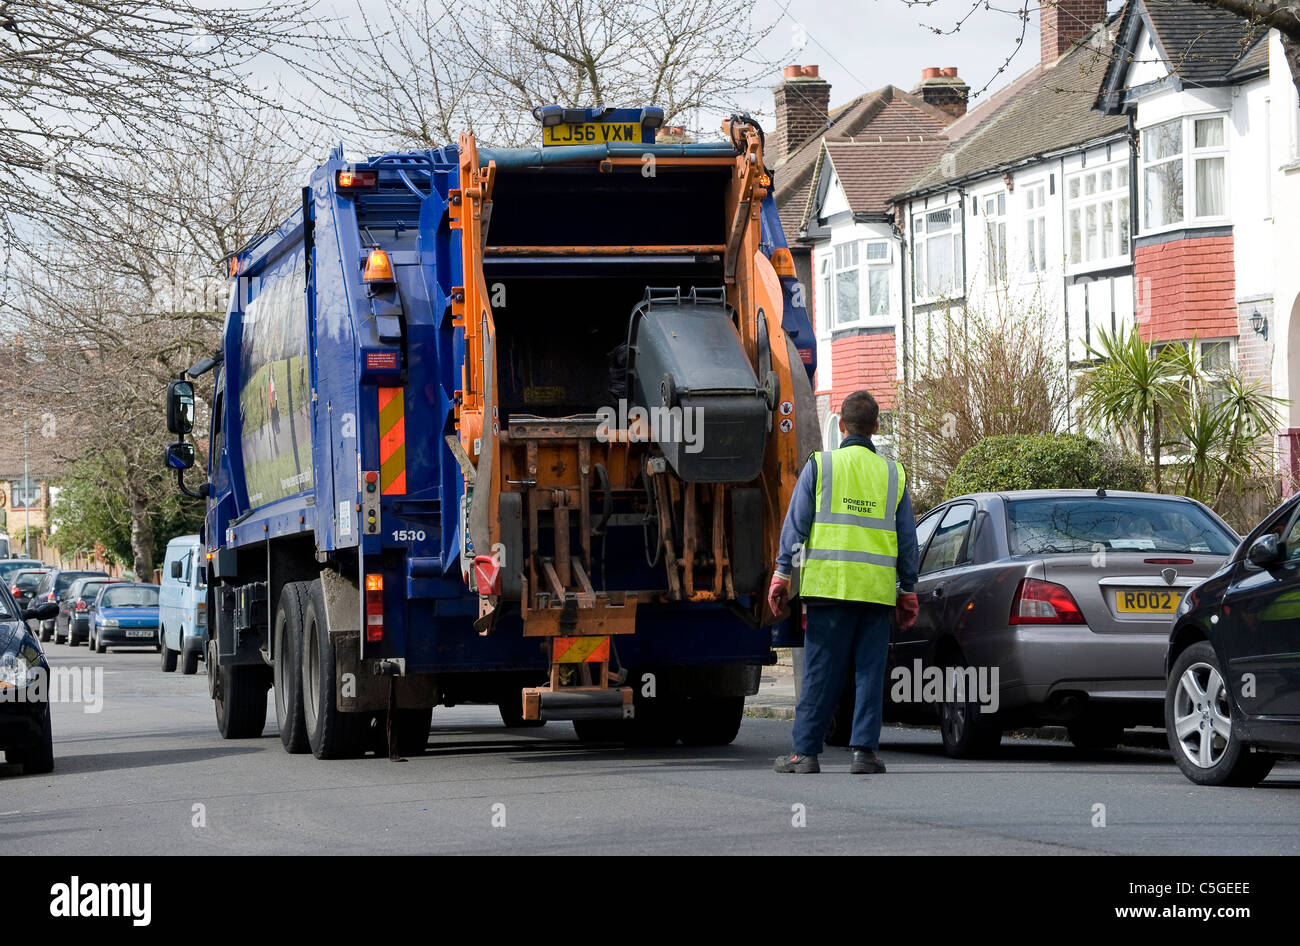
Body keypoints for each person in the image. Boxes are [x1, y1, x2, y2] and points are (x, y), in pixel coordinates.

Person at [769, 390, 920, 774]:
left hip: (829, 588)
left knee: (821, 670)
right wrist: (908, 591)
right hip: (875, 591)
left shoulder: (821, 466)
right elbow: (906, 540)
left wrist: (782, 575)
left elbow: (796, 526)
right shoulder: (894, 474)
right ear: (877, 427)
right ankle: (864, 753)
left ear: (841, 424)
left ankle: (805, 754)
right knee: (869, 673)